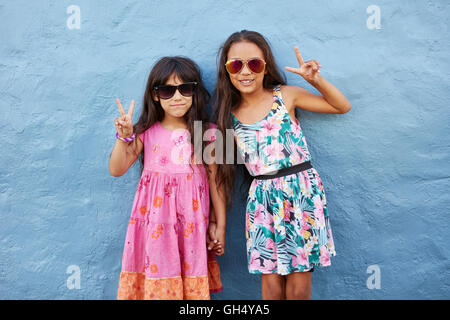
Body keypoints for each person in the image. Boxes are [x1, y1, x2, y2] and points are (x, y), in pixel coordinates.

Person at [212, 30, 351, 300]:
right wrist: (218, 224)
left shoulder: (286, 95)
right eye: (235, 64)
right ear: (226, 70)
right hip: (262, 202)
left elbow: (341, 106)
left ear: (265, 67)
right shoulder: (222, 117)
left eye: (254, 63)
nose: (245, 71)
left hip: (302, 195)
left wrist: (316, 80)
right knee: (271, 287)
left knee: (299, 286)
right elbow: (215, 175)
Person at [109, 56, 226, 300]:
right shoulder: (144, 132)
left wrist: (220, 225)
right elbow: (116, 169)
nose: (177, 97)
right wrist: (124, 137)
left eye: (185, 89)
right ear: (155, 95)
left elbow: (218, 183)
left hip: (192, 227)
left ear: (195, 92)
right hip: (155, 228)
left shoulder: (211, 133)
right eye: (167, 90)